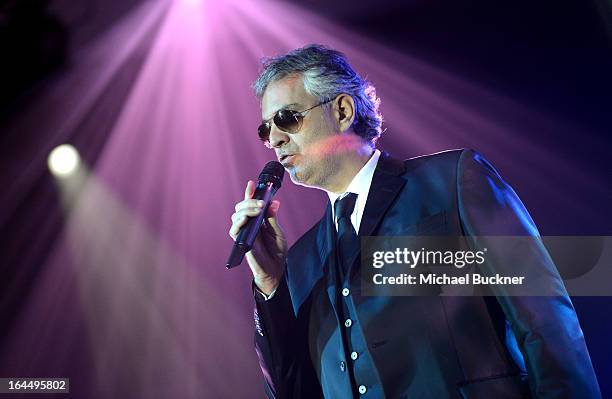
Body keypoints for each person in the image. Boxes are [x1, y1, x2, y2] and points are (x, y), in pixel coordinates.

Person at [228, 44, 601, 399]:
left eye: (286, 118)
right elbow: (293, 389)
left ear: (342, 111)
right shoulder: (305, 256)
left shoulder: (451, 181)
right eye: (265, 129)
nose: (273, 139)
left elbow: (544, 320)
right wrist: (271, 285)